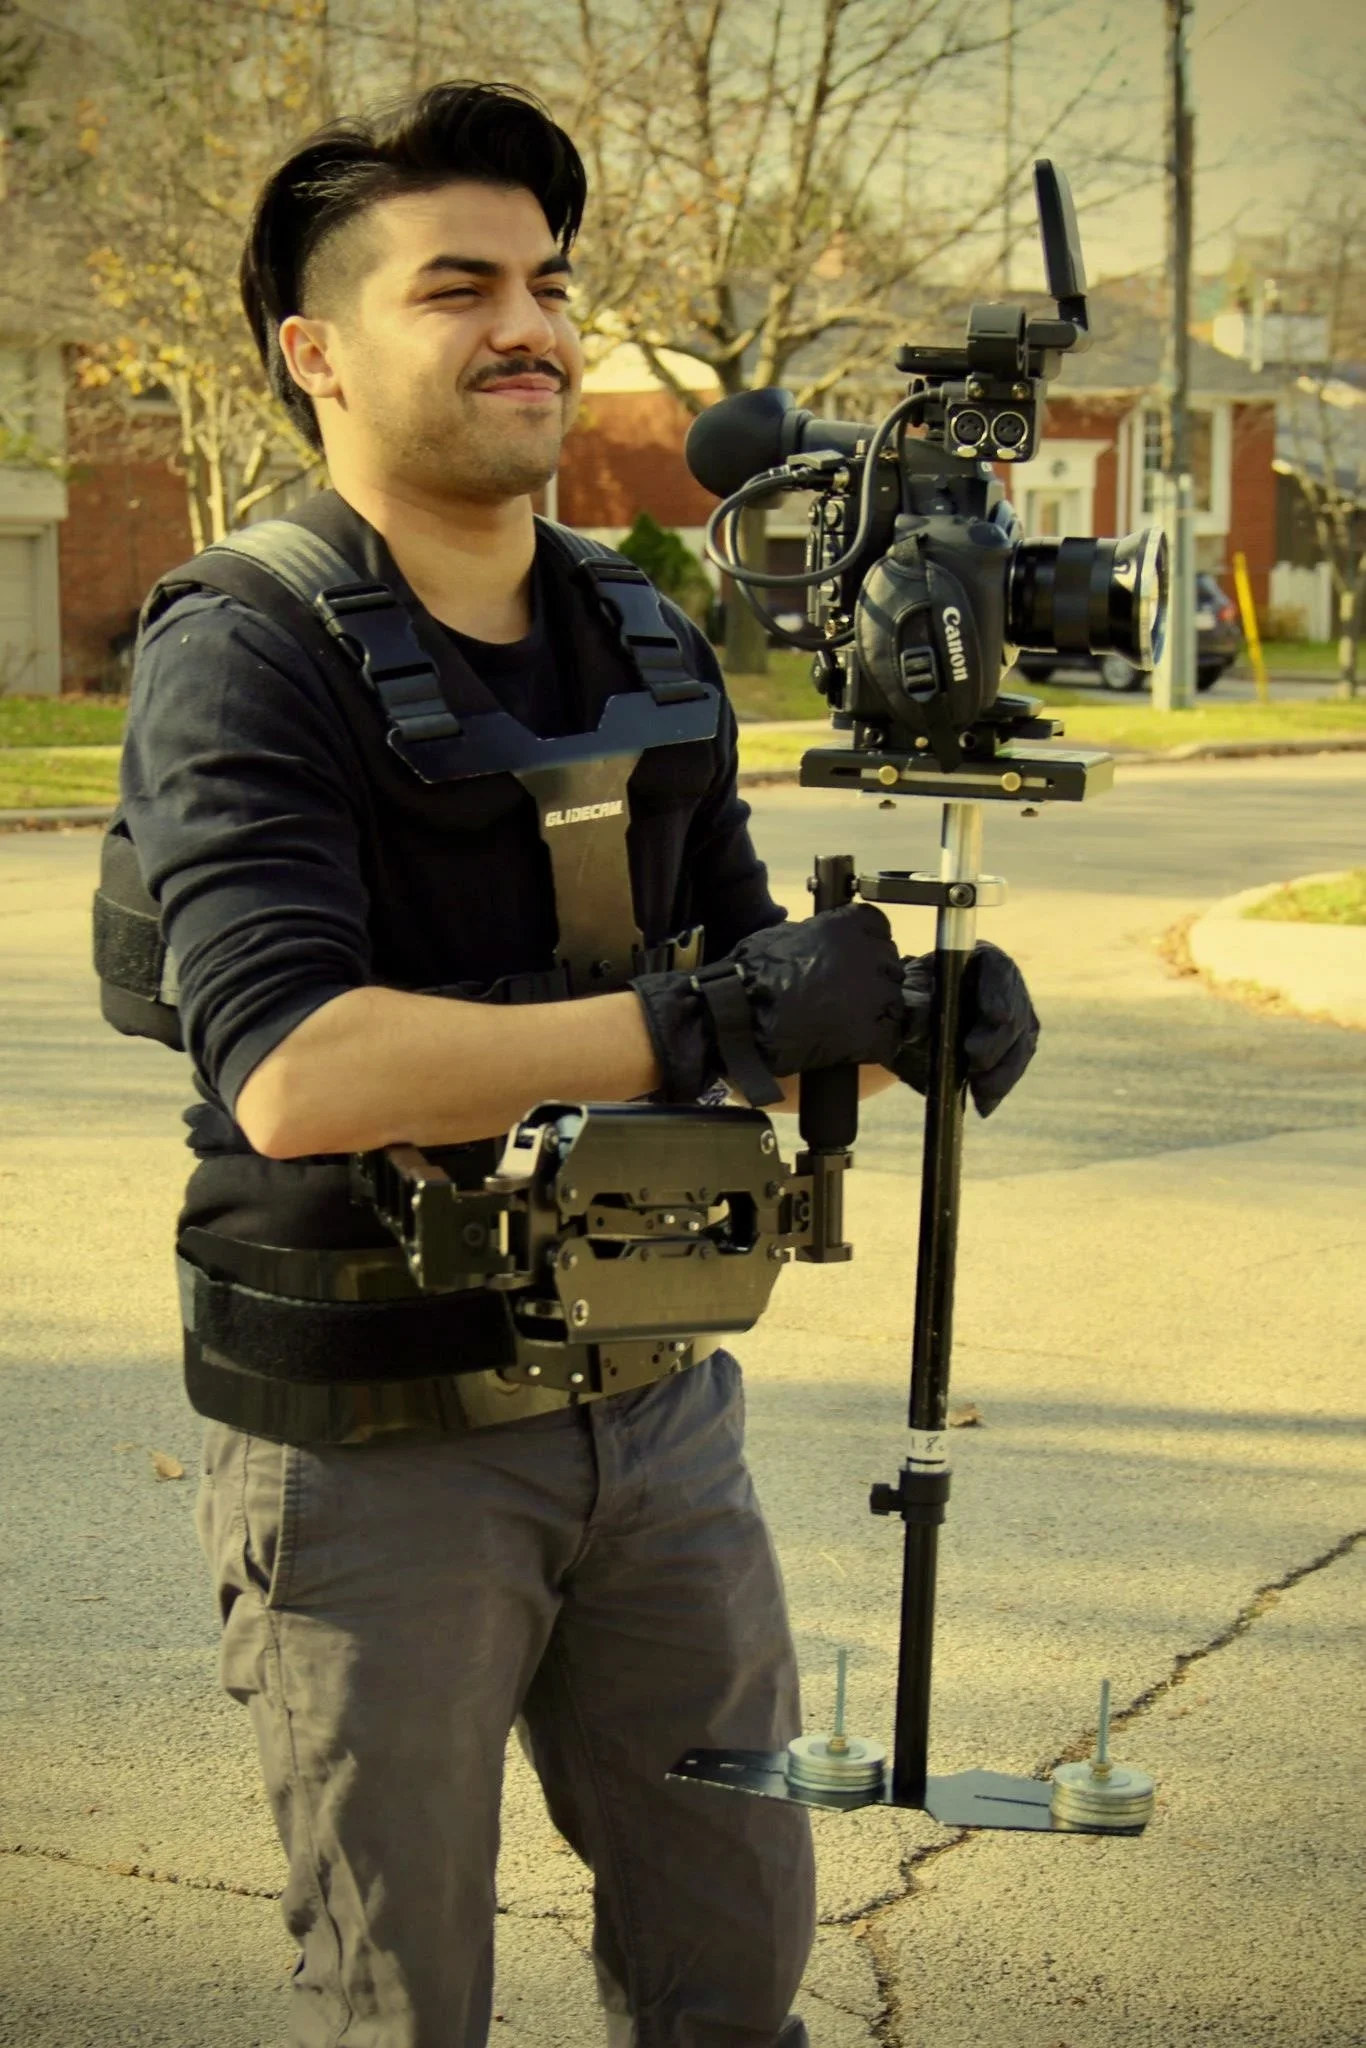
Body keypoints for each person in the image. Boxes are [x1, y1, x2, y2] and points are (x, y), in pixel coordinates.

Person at [118, 81, 1038, 2048]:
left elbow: (736, 999)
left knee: (733, 1965)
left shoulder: (639, 626)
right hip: (374, 1452)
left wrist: (897, 1028)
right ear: (315, 350)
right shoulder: (243, 645)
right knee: (408, 2000)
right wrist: (710, 1021)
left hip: (658, 1414)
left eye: (545, 282)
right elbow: (293, 1070)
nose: (526, 324)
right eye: (457, 286)